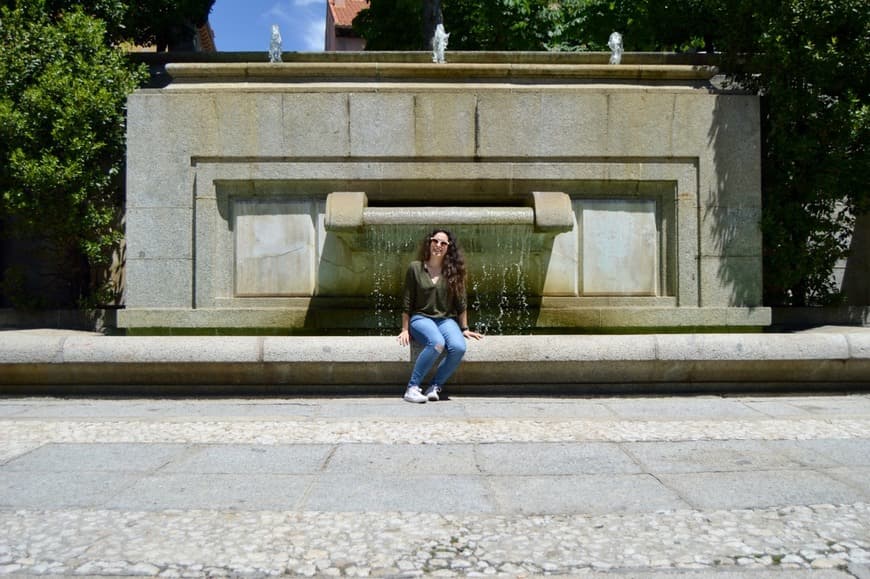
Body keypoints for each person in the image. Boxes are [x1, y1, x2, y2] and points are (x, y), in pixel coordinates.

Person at [397, 229, 483, 403]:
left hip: (445, 319)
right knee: (437, 342)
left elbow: (461, 302)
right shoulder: (415, 267)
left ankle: (434, 386)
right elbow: (407, 300)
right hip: (421, 318)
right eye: (436, 241)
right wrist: (405, 329)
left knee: (459, 347)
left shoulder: (453, 271)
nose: (439, 245)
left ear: (448, 248)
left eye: (444, 243)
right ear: (429, 242)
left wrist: (464, 328)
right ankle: (412, 388)